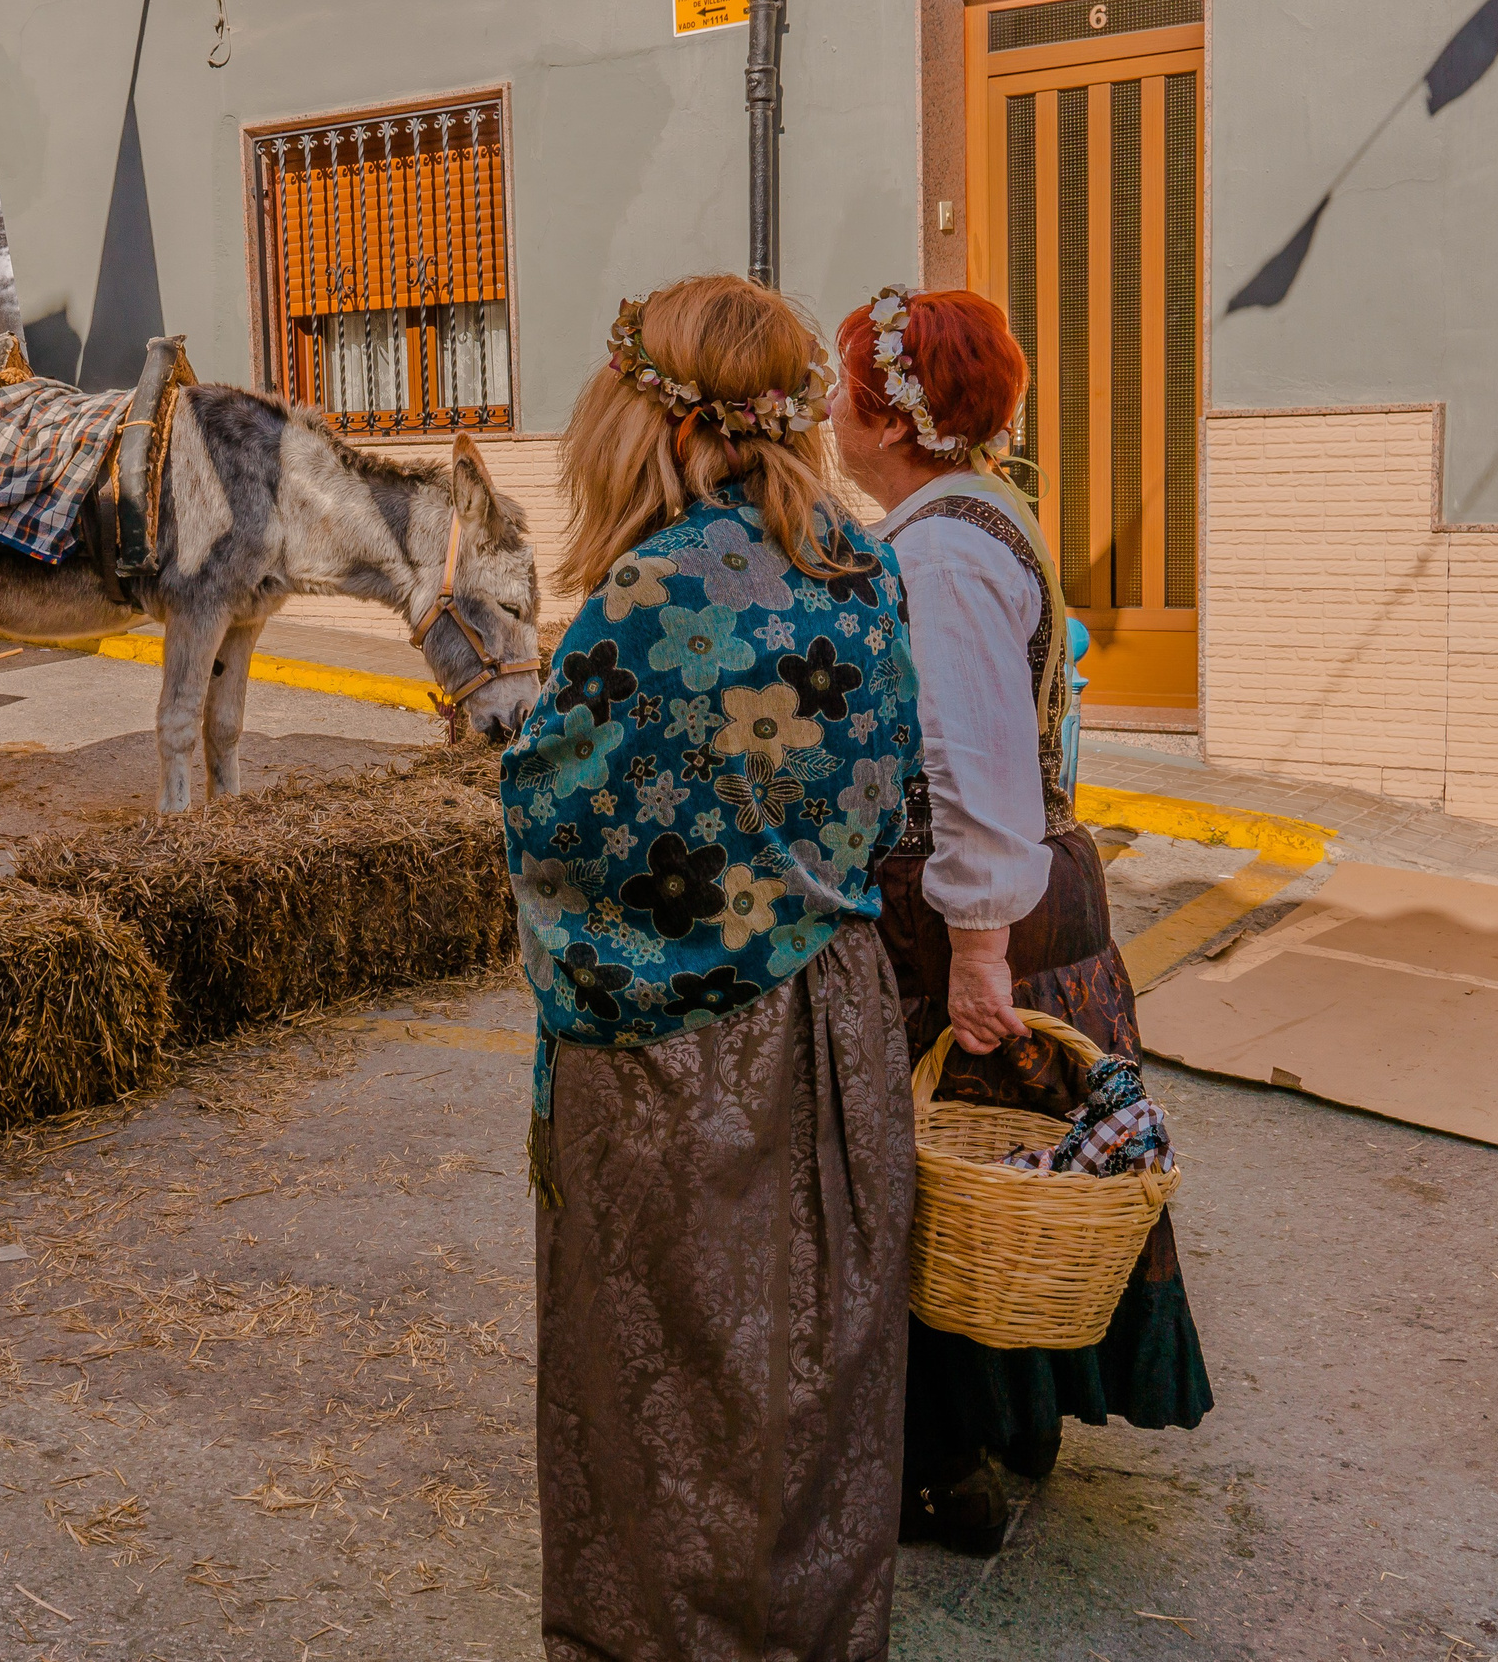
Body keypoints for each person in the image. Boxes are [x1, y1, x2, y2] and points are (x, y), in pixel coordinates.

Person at [504, 274, 921, 1661]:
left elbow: (562, 823)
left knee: (670, 1392)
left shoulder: (650, 590)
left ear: (644, 415)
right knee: (817, 1368)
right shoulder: (868, 563)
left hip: (677, 1050)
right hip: (840, 1013)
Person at [825, 286, 1213, 1555]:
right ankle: (1011, 1422)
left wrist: (979, 950)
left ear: (889, 414)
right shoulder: (977, 512)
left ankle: (947, 1468)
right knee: (1001, 1162)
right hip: (1016, 899)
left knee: (944, 1172)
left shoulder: (933, 550)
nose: (829, 412)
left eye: (843, 390)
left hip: (969, 920)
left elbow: (969, 757)